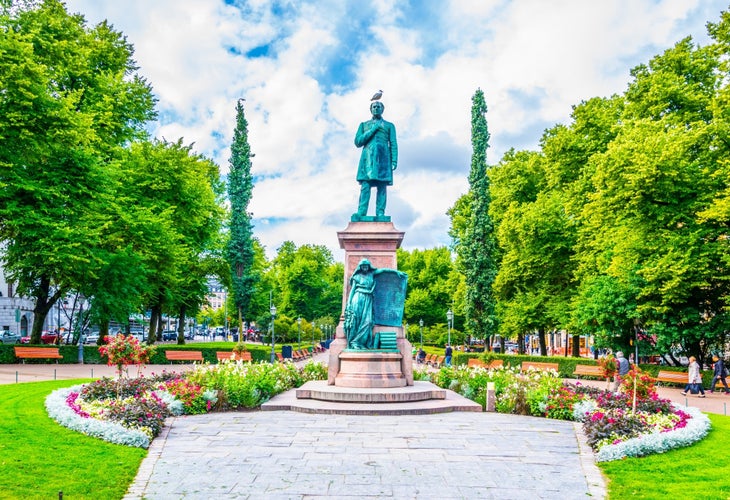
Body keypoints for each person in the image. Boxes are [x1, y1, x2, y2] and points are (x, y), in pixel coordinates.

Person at [353, 100, 398, 218]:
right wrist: (373, 129)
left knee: (382, 186)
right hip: (367, 159)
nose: (376, 108)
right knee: (365, 186)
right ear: (371, 109)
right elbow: (358, 142)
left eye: (379, 107)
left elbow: (393, 143)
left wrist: (394, 160)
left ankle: (380, 212)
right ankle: (361, 212)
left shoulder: (389, 126)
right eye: (374, 106)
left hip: (384, 158)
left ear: (382, 109)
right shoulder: (364, 125)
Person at [343, 259, 379, 349]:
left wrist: (395, 272)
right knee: (356, 321)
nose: (365, 268)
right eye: (363, 266)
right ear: (360, 267)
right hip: (358, 298)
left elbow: (382, 271)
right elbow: (352, 290)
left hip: (368, 299)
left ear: (369, 266)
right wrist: (349, 303)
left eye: (366, 266)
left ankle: (359, 342)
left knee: (368, 322)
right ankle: (355, 343)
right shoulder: (357, 276)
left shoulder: (372, 274)